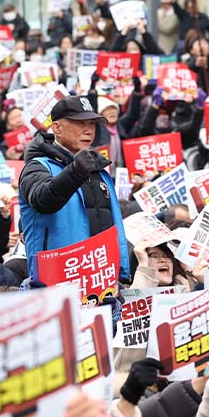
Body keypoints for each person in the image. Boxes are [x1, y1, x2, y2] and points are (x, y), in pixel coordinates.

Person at [18, 95, 130, 280]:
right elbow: (43, 200)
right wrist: (75, 171)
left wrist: (121, 272)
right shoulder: (37, 166)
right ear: (57, 128)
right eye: (80, 123)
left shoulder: (99, 169)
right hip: (58, 281)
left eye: (92, 124)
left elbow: (112, 224)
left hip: (102, 280)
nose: (88, 131)